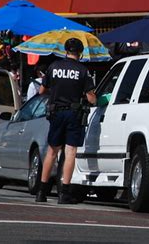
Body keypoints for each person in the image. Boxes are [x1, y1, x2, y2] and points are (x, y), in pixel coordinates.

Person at [35, 38, 96, 204]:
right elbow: (91, 99)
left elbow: (41, 91)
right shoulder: (83, 71)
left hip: (55, 113)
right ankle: (64, 194)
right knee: (70, 152)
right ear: (80, 53)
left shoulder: (53, 67)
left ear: (65, 51)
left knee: (51, 152)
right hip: (73, 113)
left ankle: (41, 192)